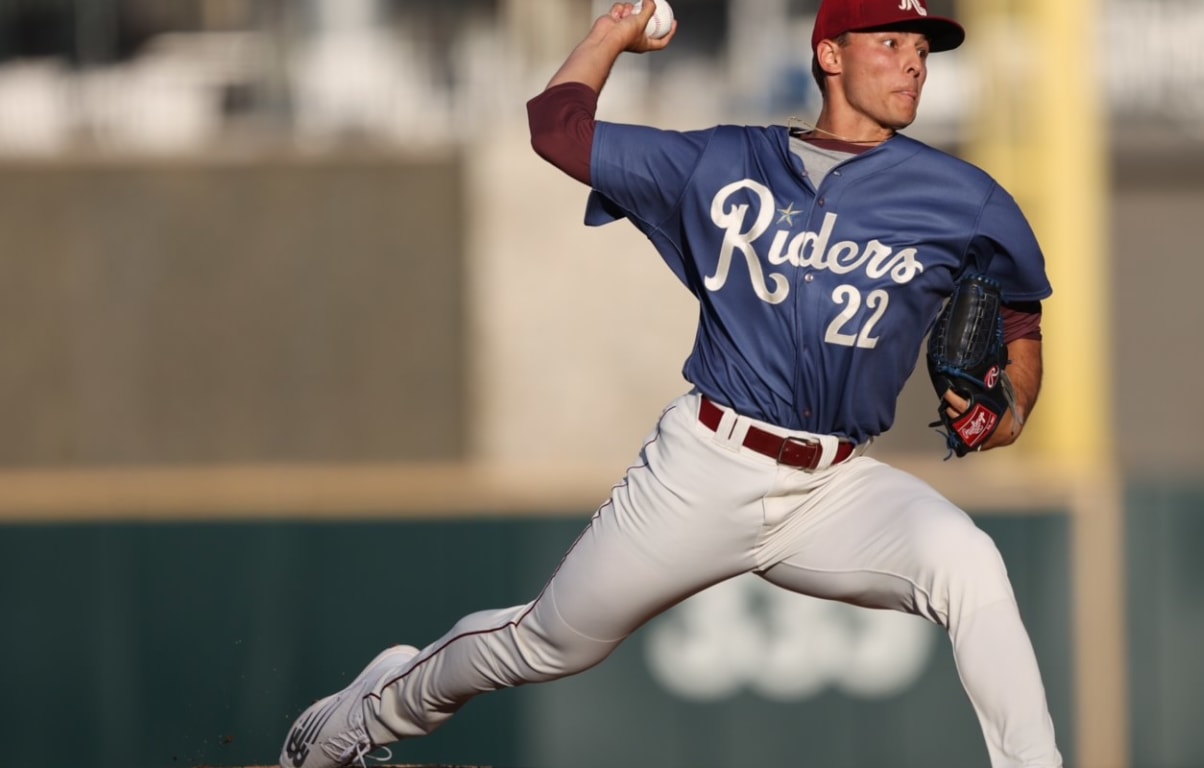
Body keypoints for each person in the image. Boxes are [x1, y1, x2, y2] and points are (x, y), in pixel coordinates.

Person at [277, 0, 1061, 765]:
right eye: (890, 43)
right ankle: (365, 712)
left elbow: (1019, 320)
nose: (913, 65)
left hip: (837, 487)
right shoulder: (720, 163)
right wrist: (611, 33)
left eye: (923, 51)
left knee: (968, 562)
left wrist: (1013, 405)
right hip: (707, 466)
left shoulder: (964, 199)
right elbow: (556, 131)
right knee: (545, 643)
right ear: (830, 54)